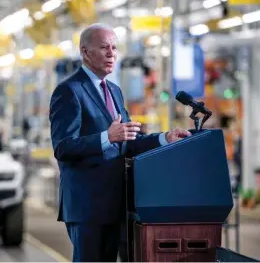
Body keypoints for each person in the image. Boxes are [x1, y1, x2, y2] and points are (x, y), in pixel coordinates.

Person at [49, 23, 192, 262]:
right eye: (104, 47)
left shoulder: (114, 91)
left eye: (114, 48)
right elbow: (63, 147)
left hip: (115, 203)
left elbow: (128, 139)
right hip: (87, 206)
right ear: (85, 52)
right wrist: (107, 137)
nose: (111, 54)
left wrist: (163, 138)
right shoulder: (69, 91)